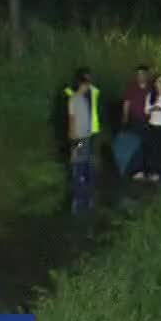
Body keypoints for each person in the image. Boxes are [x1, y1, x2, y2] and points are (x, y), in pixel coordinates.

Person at [62, 69, 100, 217]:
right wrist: (72, 134)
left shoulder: (85, 98)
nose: (87, 87)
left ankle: (87, 195)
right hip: (78, 138)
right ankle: (78, 198)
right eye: (85, 84)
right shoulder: (74, 99)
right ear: (80, 84)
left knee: (87, 164)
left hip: (86, 136)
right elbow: (72, 118)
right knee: (78, 164)